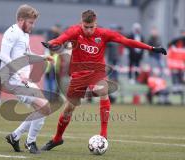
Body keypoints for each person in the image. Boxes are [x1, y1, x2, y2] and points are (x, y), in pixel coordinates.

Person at [40, 10, 167, 151]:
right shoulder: (74, 31)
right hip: (79, 74)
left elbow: (127, 41)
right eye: (85, 27)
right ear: (81, 23)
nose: (88, 30)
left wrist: (151, 48)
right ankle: (57, 138)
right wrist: (51, 43)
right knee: (69, 108)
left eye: (91, 27)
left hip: (97, 72)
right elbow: (61, 39)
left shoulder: (104, 34)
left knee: (103, 90)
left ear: (96, 23)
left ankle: (104, 134)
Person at [0, 4, 53, 154]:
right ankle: (30, 142)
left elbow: (27, 54)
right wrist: (19, 74)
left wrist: (43, 57)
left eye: (34, 23)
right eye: (30, 22)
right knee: (44, 107)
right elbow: (3, 55)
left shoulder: (24, 34)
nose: (32, 26)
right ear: (21, 19)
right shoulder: (12, 32)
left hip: (22, 79)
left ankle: (15, 137)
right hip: (13, 80)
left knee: (43, 109)